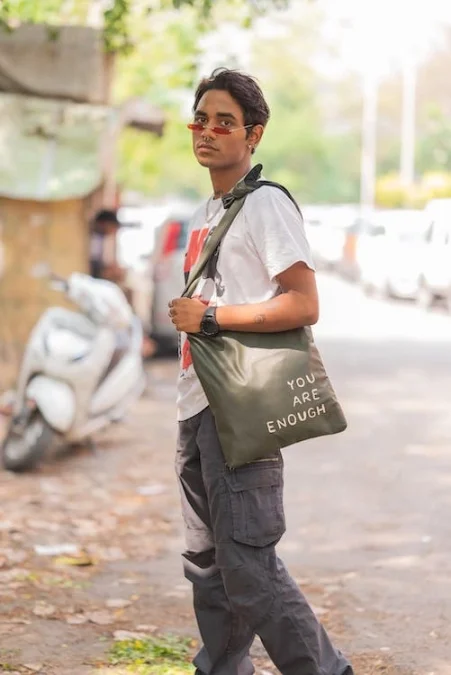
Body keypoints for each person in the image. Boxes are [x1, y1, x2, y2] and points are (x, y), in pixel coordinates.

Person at [168, 68, 353, 675]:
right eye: (202, 118)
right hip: (196, 407)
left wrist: (212, 317)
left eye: (225, 121)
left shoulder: (265, 204)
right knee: (207, 568)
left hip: (238, 411)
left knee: (247, 567)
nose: (209, 131)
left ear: (254, 134)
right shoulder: (207, 208)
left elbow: (304, 303)